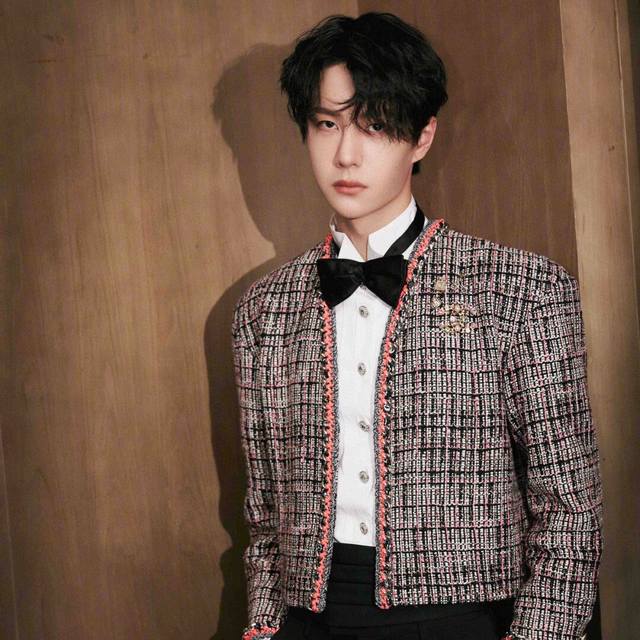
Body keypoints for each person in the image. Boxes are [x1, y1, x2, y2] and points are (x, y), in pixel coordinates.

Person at [231, 11, 603, 640]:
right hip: (307, 618)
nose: (345, 154)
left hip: (464, 619)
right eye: (327, 124)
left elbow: (571, 512)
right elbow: (265, 520)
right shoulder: (262, 311)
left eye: (374, 125)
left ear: (422, 136)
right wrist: (263, 629)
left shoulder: (523, 291)